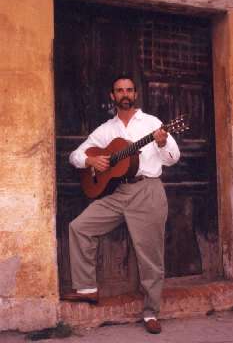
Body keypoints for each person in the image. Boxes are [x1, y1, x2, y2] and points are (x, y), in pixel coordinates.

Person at [66, 75, 180, 334]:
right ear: (112, 96)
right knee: (79, 226)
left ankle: (151, 312)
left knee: (150, 256)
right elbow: (75, 155)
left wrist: (162, 143)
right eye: (119, 90)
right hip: (118, 192)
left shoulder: (153, 123)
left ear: (136, 94)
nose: (124, 94)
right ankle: (87, 288)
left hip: (147, 190)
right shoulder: (106, 129)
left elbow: (174, 157)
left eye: (129, 90)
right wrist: (90, 162)